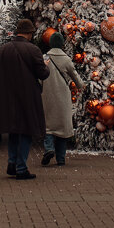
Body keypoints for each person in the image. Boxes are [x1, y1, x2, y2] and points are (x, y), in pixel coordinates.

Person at [0, 18, 49, 180]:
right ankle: (21, 168)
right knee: (26, 131)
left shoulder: (3, 49)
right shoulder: (33, 50)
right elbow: (43, 73)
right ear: (29, 33)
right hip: (27, 96)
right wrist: (46, 66)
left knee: (14, 131)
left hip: (7, 97)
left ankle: (12, 162)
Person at [40, 31, 82, 167]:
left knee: (48, 125)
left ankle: (49, 149)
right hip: (62, 95)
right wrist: (82, 86)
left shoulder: (45, 57)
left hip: (46, 95)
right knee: (62, 128)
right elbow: (75, 76)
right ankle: (61, 158)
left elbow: (39, 76)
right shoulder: (66, 59)